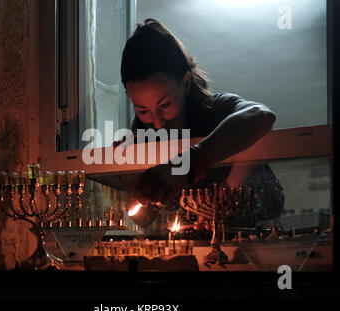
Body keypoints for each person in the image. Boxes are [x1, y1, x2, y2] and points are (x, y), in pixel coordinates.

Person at [119, 19, 284, 228]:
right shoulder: (141, 138)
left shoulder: (219, 110)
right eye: (142, 110)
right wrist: (131, 178)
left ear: (186, 83)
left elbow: (262, 116)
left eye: (165, 104)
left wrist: (189, 163)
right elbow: (142, 219)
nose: (157, 122)